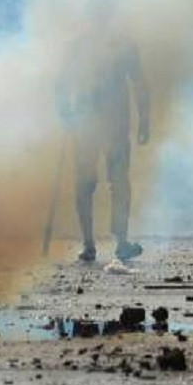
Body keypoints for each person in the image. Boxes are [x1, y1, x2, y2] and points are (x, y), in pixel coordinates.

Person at [59, 17, 151, 264]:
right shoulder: (79, 47)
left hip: (112, 126)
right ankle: (91, 244)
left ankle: (115, 243)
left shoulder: (121, 45)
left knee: (116, 182)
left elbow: (139, 82)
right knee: (90, 183)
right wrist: (65, 112)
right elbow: (62, 83)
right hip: (89, 125)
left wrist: (145, 117)